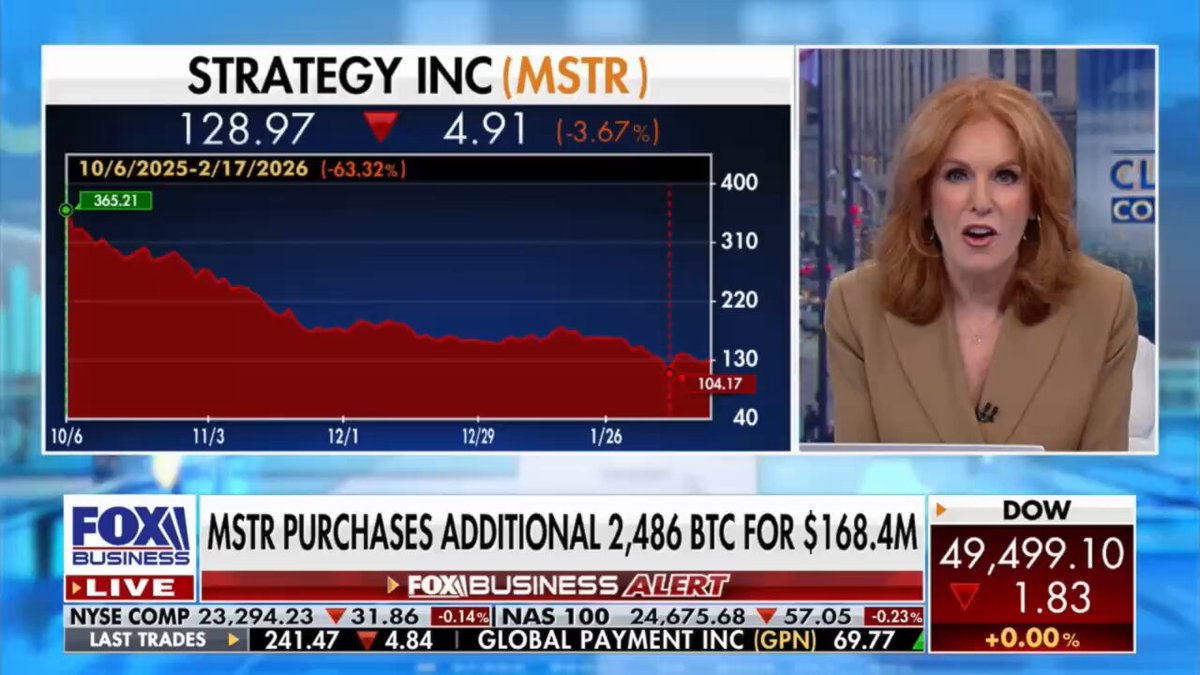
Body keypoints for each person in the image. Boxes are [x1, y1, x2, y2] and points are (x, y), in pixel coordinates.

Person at [824, 76, 1137, 451]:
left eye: (1006, 176)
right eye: (957, 175)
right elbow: (857, 478)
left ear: (1036, 199)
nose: (981, 202)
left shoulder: (1104, 304)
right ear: (924, 196)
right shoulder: (856, 306)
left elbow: (1104, 482)